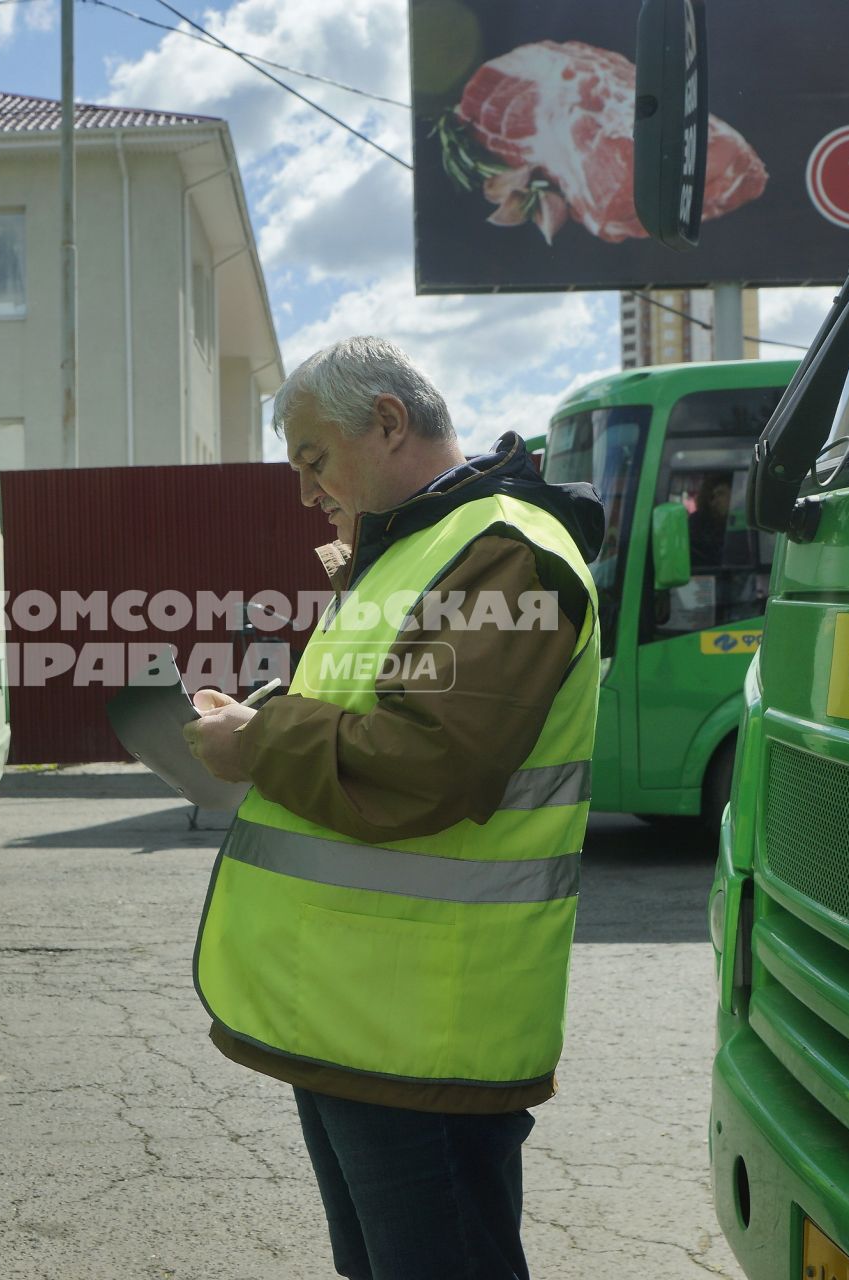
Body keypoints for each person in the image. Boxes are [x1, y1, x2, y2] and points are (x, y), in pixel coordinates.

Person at [182, 337, 604, 1280]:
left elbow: (423, 763)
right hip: (361, 1018)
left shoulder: (501, 554)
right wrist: (262, 730)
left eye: (312, 460)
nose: (304, 493)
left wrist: (254, 740)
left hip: (423, 1035)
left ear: (386, 421)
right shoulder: (410, 551)